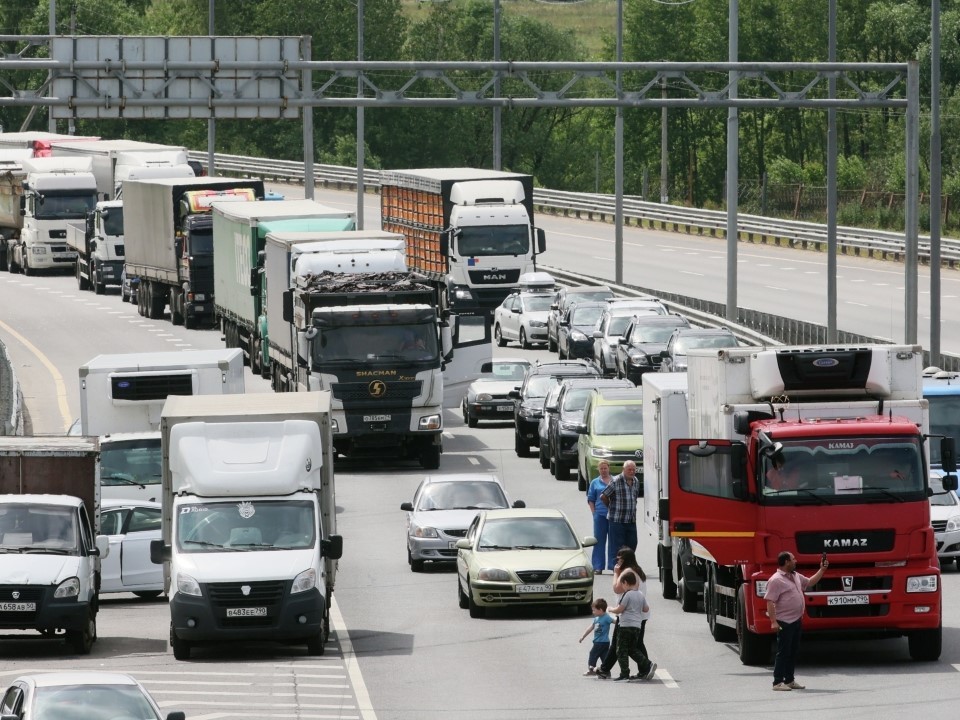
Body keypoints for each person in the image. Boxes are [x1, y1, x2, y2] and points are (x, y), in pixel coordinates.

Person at [765, 550, 828, 691]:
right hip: (784, 621)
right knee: (783, 652)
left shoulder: (795, 576)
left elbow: (810, 582)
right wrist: (773, 621)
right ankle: (777, 682)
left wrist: (822, 570)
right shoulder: (776, 580)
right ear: (786, 562)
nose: (796, 561)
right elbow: (769, 602)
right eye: (793, 559)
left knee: (793, 651)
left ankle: (789, 680)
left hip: (796, 620)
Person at [596, 547, 649, 679]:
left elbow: (616, 589)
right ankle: (645, 669)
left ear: (625, 559)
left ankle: (605, 669)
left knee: (618, 644)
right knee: (636, 643)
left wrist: (615, 573)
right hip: (638, 613)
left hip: (628, 614)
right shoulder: (637, 570)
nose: (617, 561)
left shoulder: (627, 572)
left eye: (619, 559)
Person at [606, 570, 657, 682]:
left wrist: (610, 609)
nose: (622, 587)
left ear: (625, 582)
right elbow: (646, 609)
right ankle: (647, 664)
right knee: (632, 649)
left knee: (621, 650)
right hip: (637, 626)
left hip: (625, 626)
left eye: (622, 584)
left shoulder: (627, 594)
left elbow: (620, 609)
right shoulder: (640, 594)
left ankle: (624, 674)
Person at [599, 460, 641, 553]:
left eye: (633, 470)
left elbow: (635, 498)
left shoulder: (636, 481)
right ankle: (618, 567)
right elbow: (603, 496)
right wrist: (610, 507)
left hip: (630, 521)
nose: (632, 472)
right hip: (617, 521)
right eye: (629, 470)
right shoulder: (616, 481)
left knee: (632, 546)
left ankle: (629, 566)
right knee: (618, 549)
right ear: (623, 469)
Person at [586, 460, 614, 573]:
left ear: (609, 468)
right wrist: (594, 513)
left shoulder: (615, 481)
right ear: (598, 470)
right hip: (600, 515)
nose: (603, 470)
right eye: (601, 469)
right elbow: (591, 499)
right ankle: (598, 566)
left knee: (613, 541)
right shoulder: (594, 482)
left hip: (613, 515)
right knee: (598, 541)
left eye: (605, 468)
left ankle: (613, 566)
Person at [578, 597, 613, 676]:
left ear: (600, 610)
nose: (593, 612)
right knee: (604, 657)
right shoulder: (596, 619)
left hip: (600, 642)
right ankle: (606, 671)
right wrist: (583, 636)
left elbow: (614, 621)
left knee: (593, 654)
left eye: (594, 610)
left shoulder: (606, 617)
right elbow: (590, 628)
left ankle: (591, 669)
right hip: (602, 642)